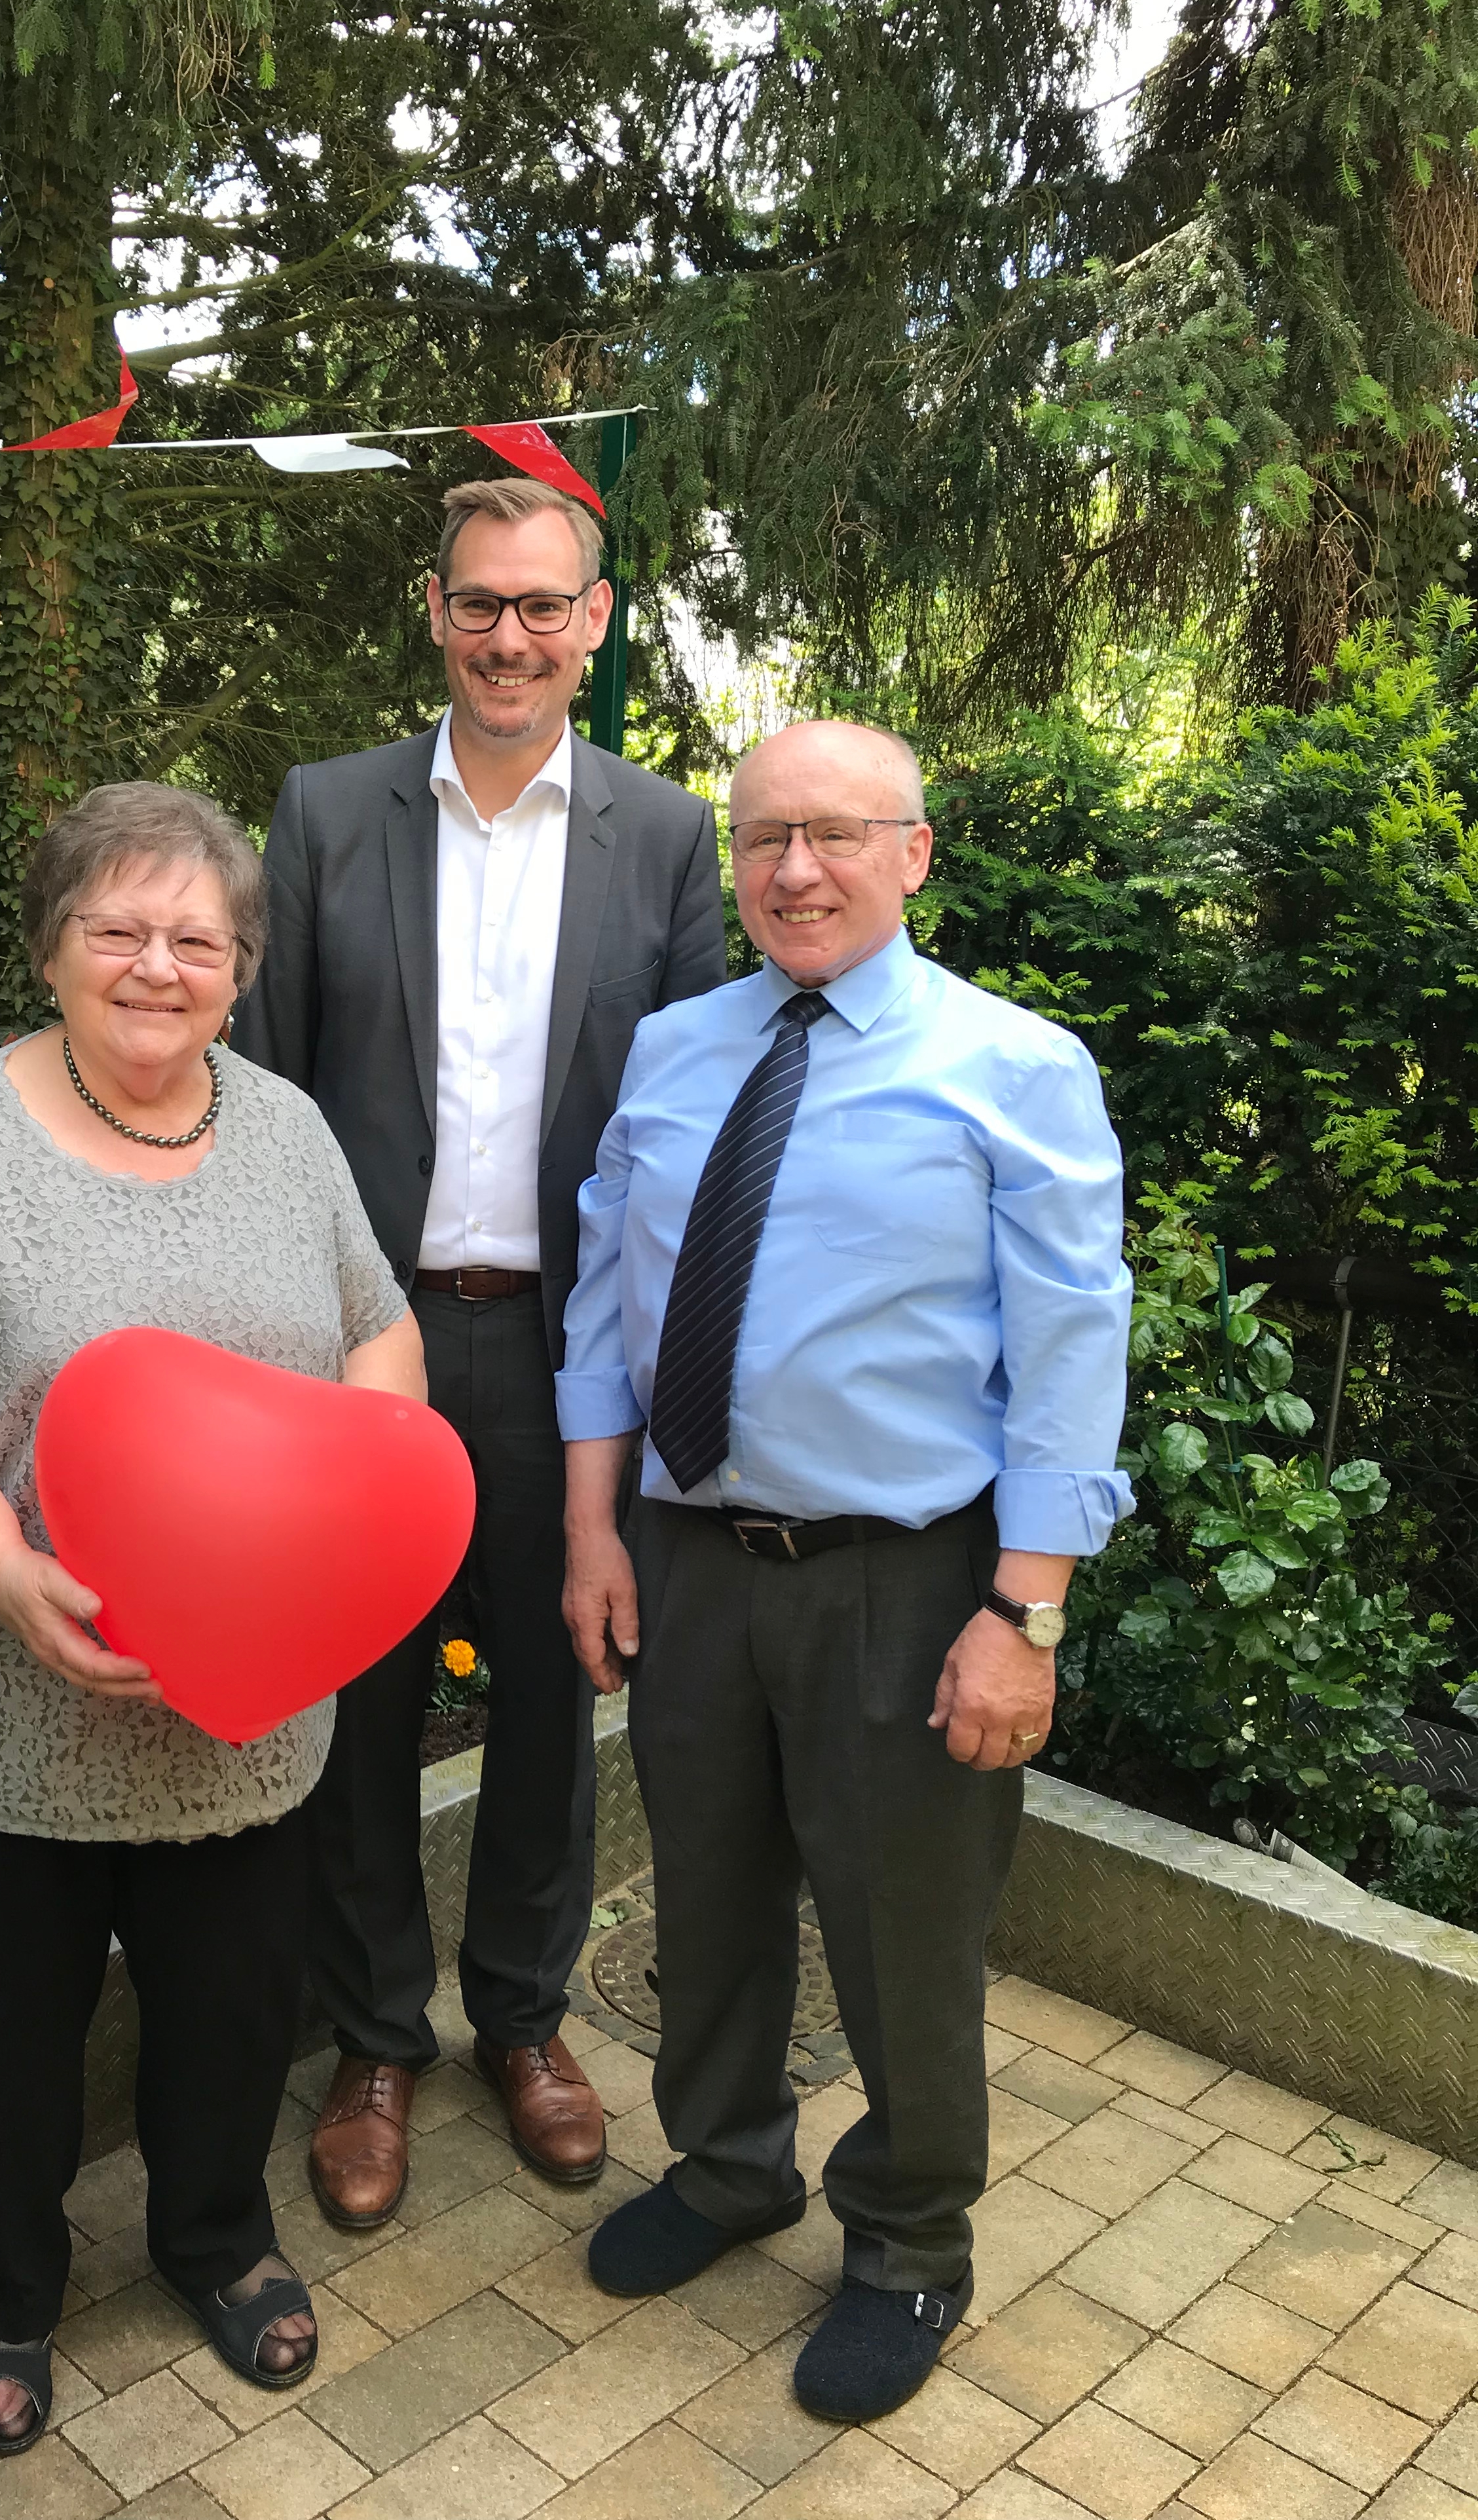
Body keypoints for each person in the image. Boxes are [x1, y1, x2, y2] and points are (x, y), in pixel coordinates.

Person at [0, 783, 422, 2458]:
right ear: (54, 948)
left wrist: (365, 1509)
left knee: (235, 2011)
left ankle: (216, 2239)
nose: (159, 965)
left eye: (198, 938)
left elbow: (378, 1338)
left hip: (247, 1712)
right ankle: (6, 2287)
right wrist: (13, 1582)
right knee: (4, 2034)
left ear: (240, 965)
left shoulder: (287, 1133)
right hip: (9, 1710)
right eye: (119, 931)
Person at [557, 718, 1132, 2423]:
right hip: (691, 1559)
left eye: (834, 834)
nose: (794, 870)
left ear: (914, 853)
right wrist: (593, 1527)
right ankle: (732, 2168)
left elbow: (1073, 1356)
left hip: (907, 1571)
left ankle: (906, 2242)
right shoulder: (671, 1050)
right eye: (763, 841)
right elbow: (608, 1310)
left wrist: (1024, 1613)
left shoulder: (1012, 1068)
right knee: (710, 1898)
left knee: (902, 1930)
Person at [234, 476, 726, 2223]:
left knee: (547, 1697)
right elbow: (268, 1096)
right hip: (364, 1342)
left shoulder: (668, 838)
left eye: (543, 606)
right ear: (432, 612)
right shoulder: (326, 813)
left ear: (594, 622)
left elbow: (680, 1130)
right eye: (479, 604)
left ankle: (521, 2021)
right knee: (360, 1696)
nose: (509, 636)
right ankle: (376, 2038)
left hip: (558, 1355)